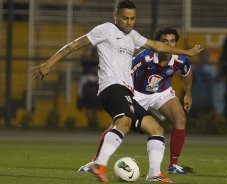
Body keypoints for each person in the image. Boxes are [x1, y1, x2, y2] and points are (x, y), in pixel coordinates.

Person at [32, 0, 203, 183]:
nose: (129, 22)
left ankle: (154, 174)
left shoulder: (133, 36)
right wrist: (48, 64)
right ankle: (99, 164)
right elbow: (74, 45)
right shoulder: (105, 29)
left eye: (132, 18)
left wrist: (186, 52)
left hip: (125, 91)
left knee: (156, 128)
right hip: (112, 87)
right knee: (123, 121)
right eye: (125, 18)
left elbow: (158, 46)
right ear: (116, 17)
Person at [131, 26, 193, 174]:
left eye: (172, 41)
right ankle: (96, 162)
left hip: (161, 92)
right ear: (157, 43)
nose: (168, 45)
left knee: (180, 118)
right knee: (121, 124)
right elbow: (125, 72)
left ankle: (172, 165)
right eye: (164, 41)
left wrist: (188, 94)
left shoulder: (180, 59)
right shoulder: (144, 58)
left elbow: (187, 74)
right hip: (138, 93)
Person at [77, 47, 103, 129]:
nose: (95, 54)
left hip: (96, 87)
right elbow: (82, 59)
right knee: (87, 107)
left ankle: (94, 123)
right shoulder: (87, 61)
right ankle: (90, 123)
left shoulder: (101, 62)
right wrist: (86, 48)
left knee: (95, 107)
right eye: (94, 52)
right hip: (87, 87)